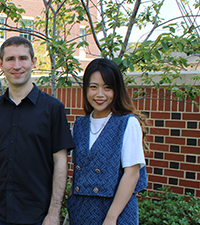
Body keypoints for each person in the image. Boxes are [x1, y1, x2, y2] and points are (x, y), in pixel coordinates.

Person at [0, 36, 75, 225]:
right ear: (1, 64)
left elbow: (60, 162)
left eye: (23, 58)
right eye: (10, 59)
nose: (17, 65)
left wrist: (54, 213)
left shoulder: (53, 109)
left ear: (33, 62)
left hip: (38, 216)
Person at [68, 58, 148, 225]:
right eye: (93, 87)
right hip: (81, 212)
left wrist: (111, 218)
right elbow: (78, 173)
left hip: (115, 213)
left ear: (116, 90)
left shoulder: (127, 123)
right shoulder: (79, 125)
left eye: (107, 87)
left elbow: (132, 174)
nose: (100, 94)